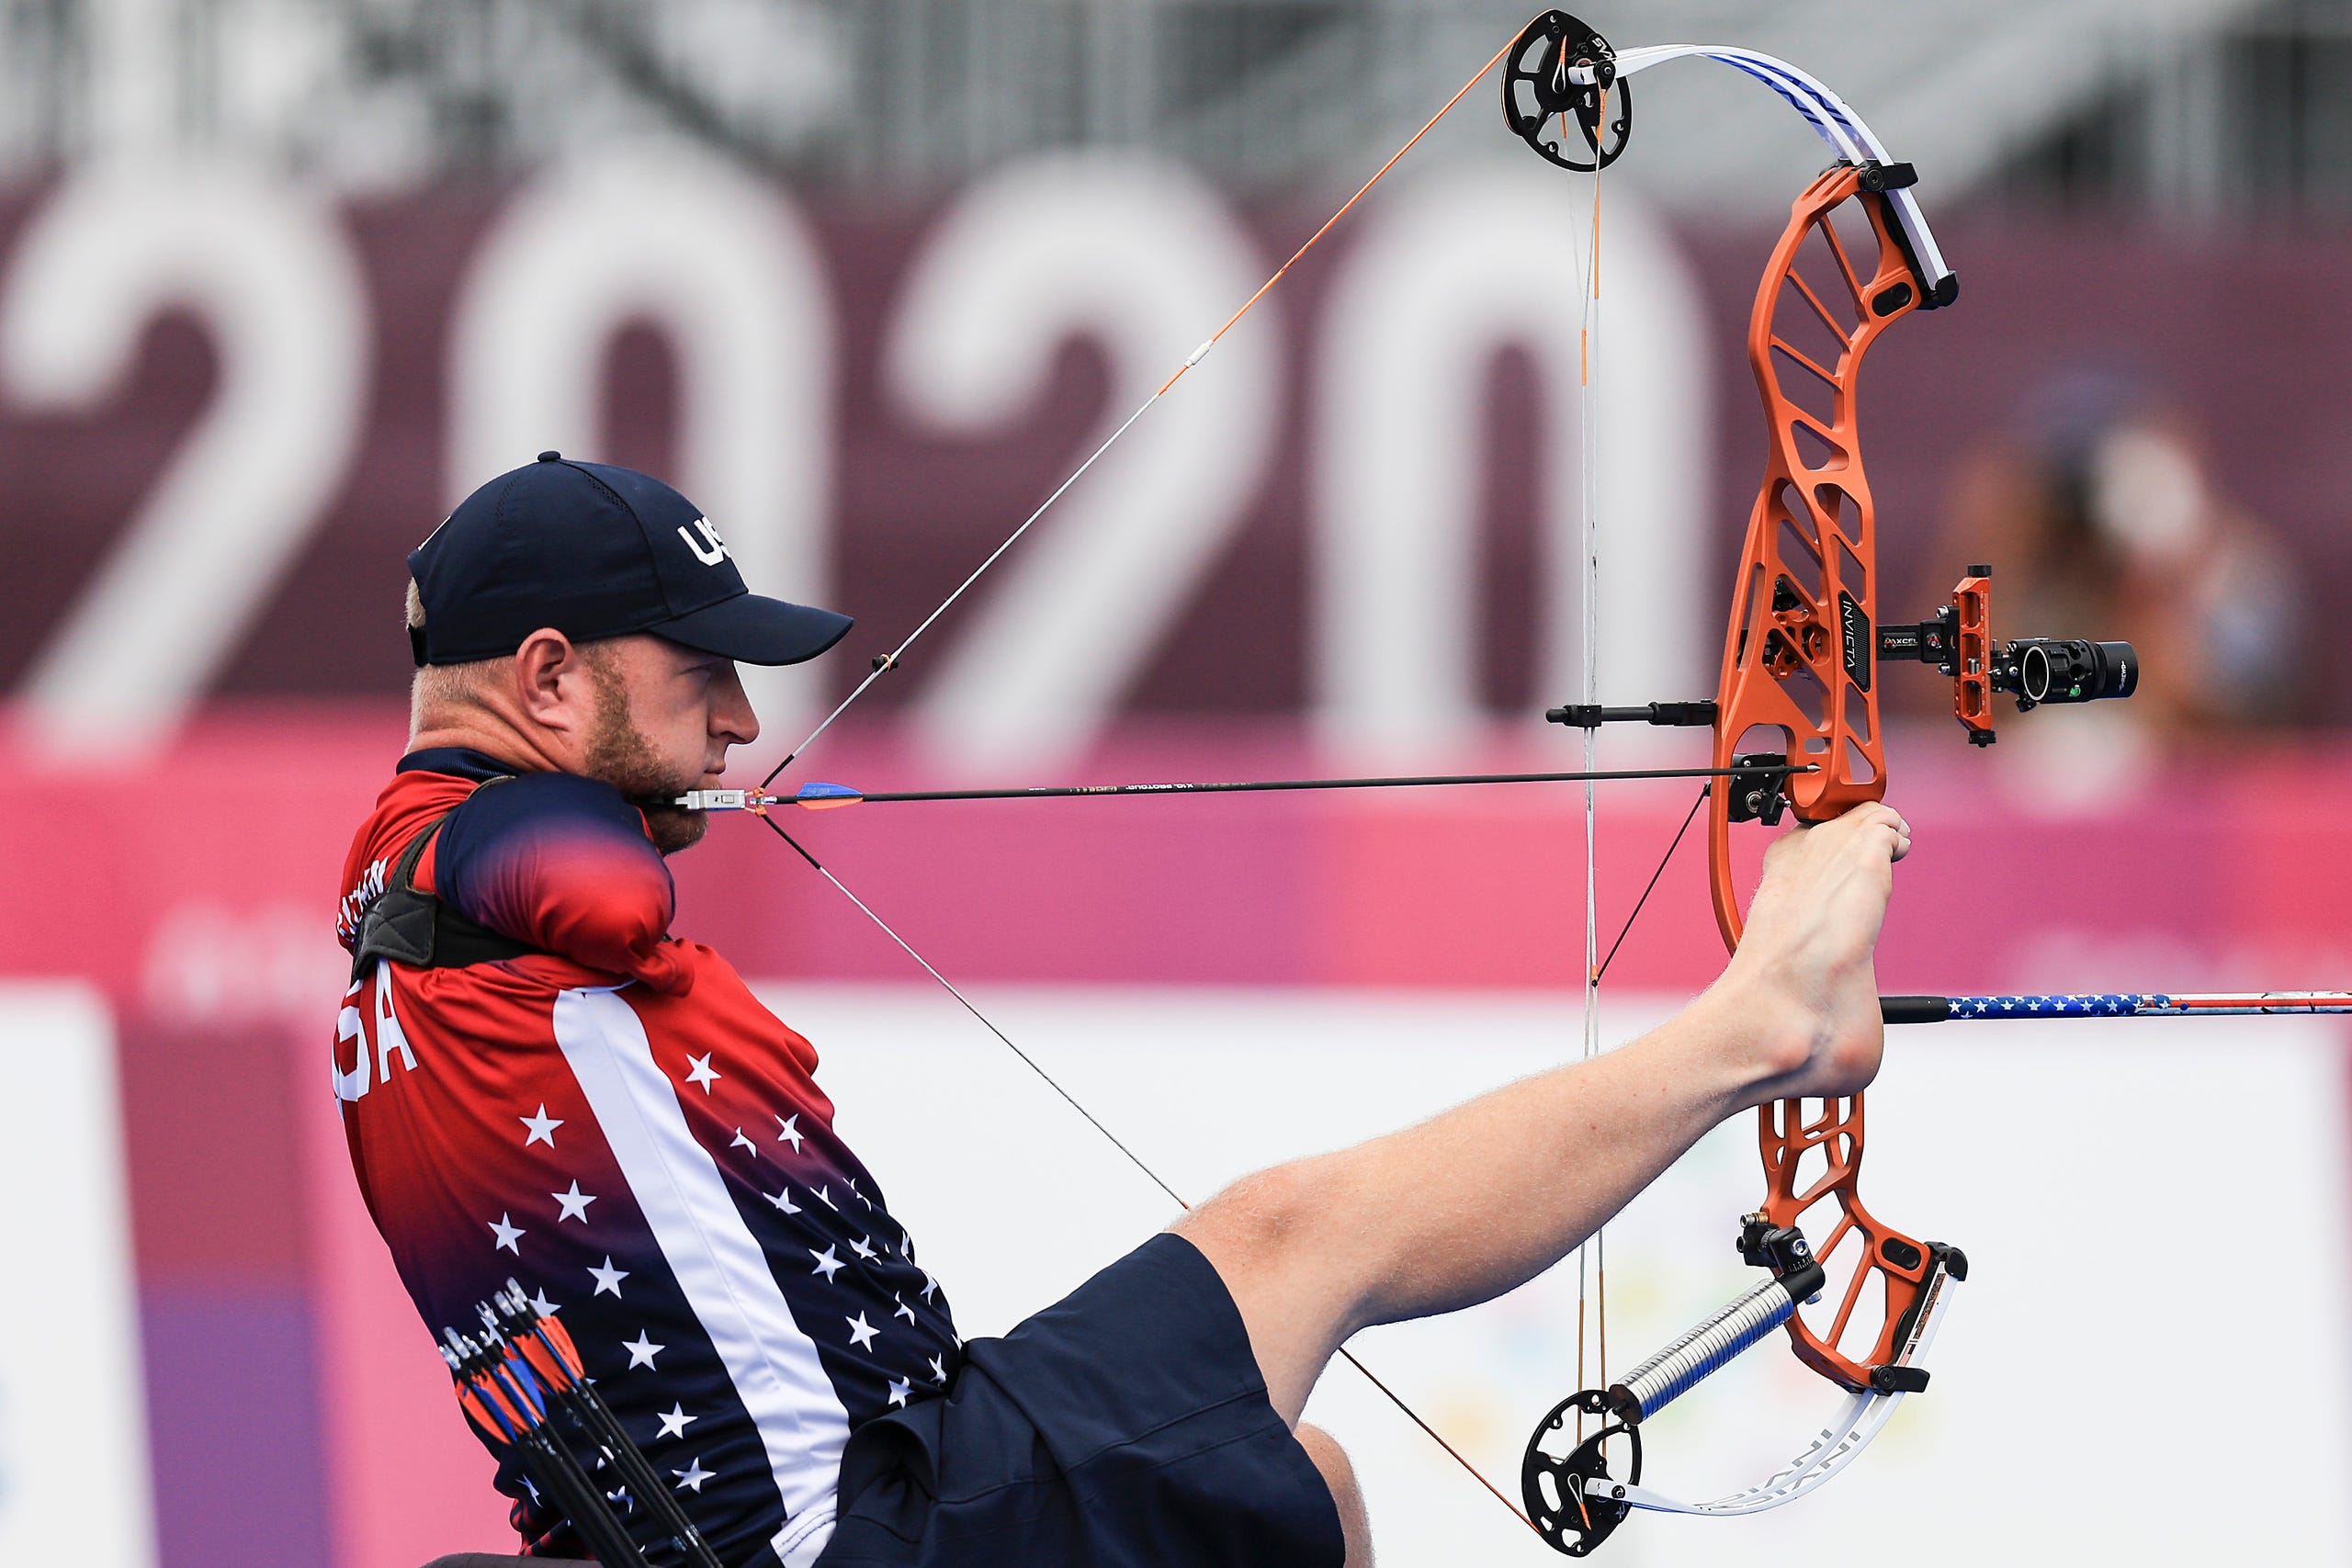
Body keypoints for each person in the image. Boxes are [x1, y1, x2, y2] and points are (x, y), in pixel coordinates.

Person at [334, 454, 1912, 1568]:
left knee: (1294, 1491)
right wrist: (624, 822)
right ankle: (1769, 1024)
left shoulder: (409, 934)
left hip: (885, 1488)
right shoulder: (468, 847)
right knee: (1295, 1235)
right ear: (545, 682)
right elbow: (592, 887)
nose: (743, 723)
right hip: (855, 1534)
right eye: (697, 680)